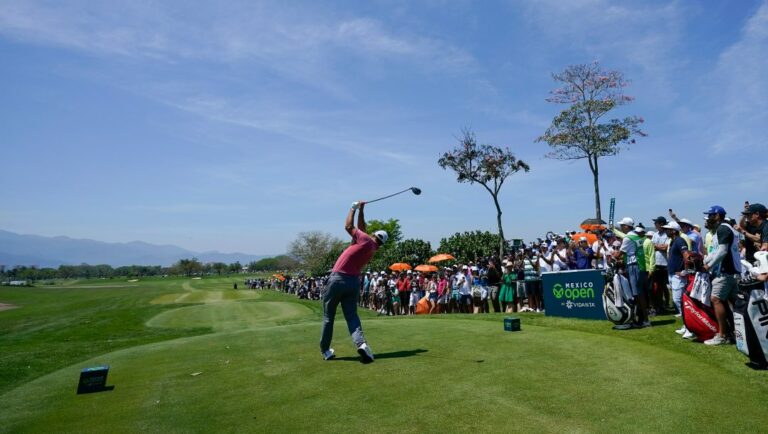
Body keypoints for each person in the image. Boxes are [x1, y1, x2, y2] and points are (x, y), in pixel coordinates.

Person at [319, 201, 384, 363]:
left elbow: (349, 226)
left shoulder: (365, 240)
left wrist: (353, 208)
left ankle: (326, 350)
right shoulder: (372, 248)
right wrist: (362, 210)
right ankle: (361, 344)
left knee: (329, 316)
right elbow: (362, 229)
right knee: (352, 317)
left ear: (373, 235)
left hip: (338, 279)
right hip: (353, 282)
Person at [702, 205, 741, 346]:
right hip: (733, 271)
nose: (709, 218)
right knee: (735, 303)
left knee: (716, 299)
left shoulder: (722, 228)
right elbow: (718, 251)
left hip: (726, 271)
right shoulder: (727, 228)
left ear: (717, 216)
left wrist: (709, 265)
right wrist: (706, 259)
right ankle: (737, 333)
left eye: (711, 215)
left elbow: (723, 251)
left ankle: (722, 335)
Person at [612, 217, 649, 329]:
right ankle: (641, 318)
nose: (621, 227)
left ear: (627, 226)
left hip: (634, 266)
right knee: (639, 293)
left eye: (622, 226)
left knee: (637, 294)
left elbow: (620, 254)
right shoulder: (637, 235)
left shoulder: (628, 238)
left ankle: (645, 320)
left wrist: (612, 258)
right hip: (640, 266)